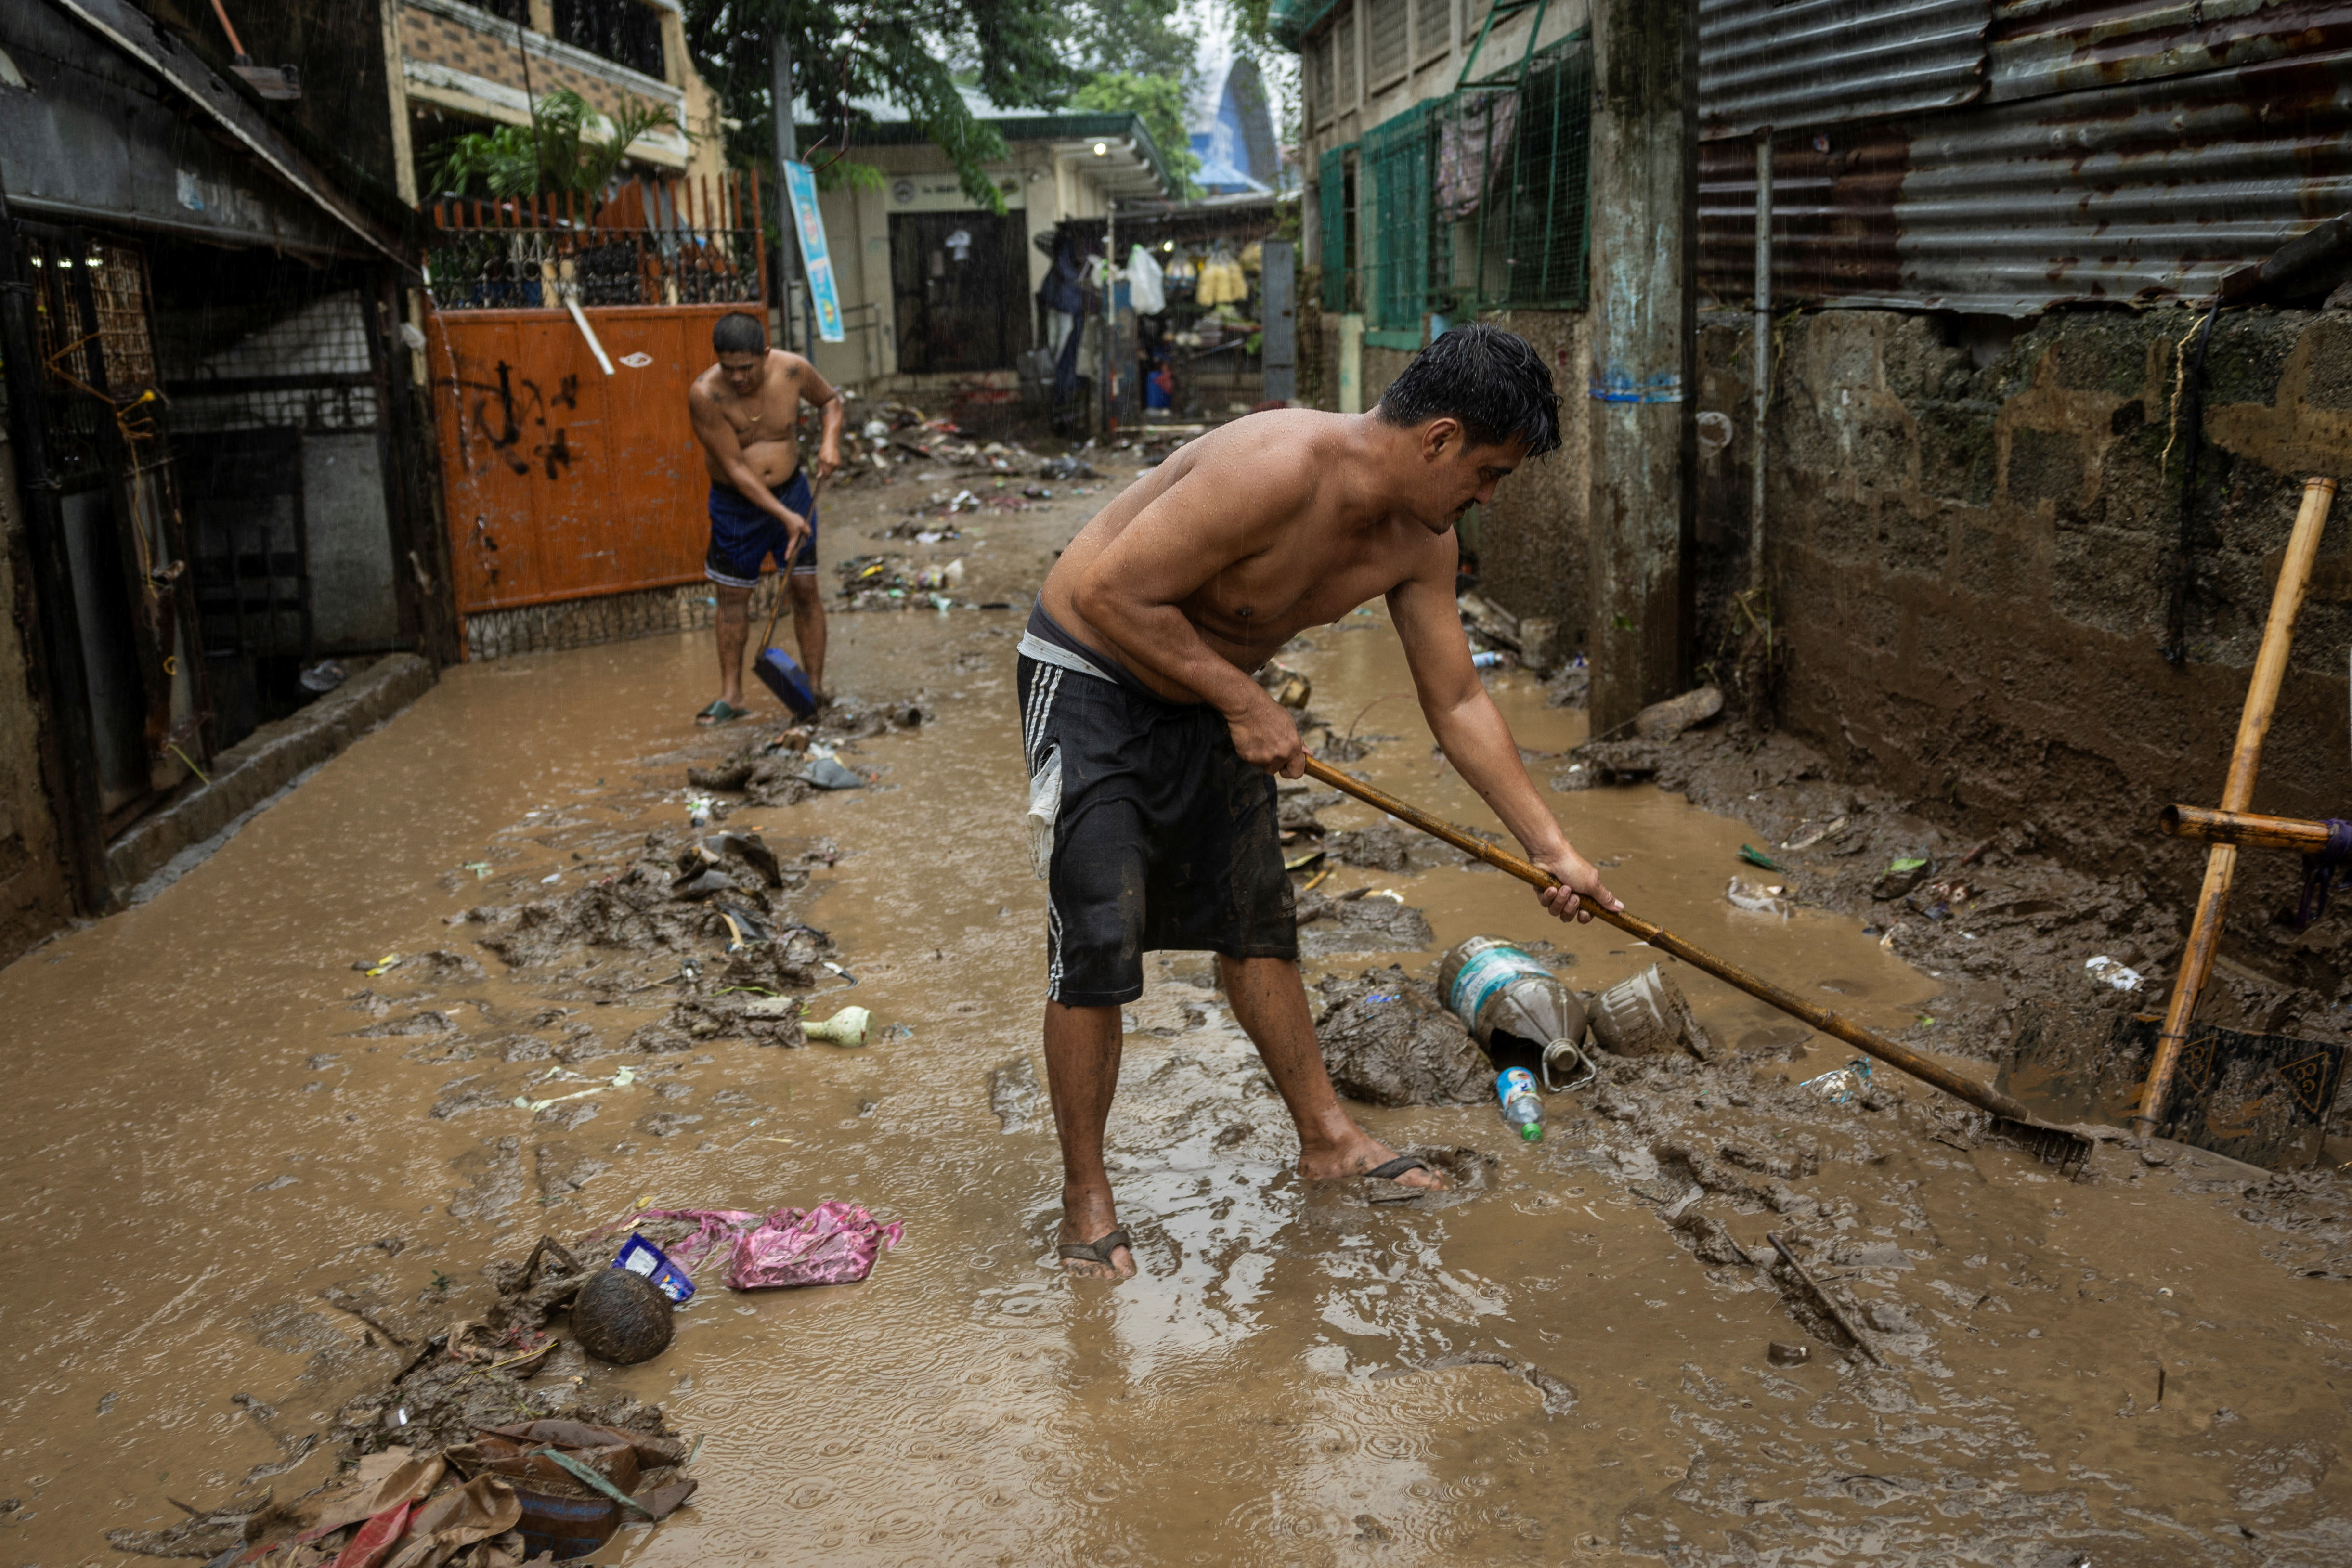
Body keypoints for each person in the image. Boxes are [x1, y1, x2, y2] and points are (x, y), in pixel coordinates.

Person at [1018, 324, 1623, 1281]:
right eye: (1488, 471)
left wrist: (1552, 845)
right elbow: (1109, 593)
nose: (1487, 496)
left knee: (1258, 917)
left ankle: (1329, 1136)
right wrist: (1245, 699)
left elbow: (1458, 697)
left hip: (1213, 685)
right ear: (1438, 439)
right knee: (1098, 927)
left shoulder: (1421, 540)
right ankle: (1086, 1192)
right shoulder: (1275, 465)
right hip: (1095, 666)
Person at [688, 311, 843, 723]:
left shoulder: (793, 370)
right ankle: (732, 696)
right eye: (728, 368)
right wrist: (784, 517)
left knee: (805, 588)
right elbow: (736, 470)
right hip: (737, 505)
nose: (737, 378)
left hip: (792, 490)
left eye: (746, 368)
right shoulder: (705, 394)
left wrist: (830, 443)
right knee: (734, 598)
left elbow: (830, 402)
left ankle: (813, 690)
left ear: (766, 354)